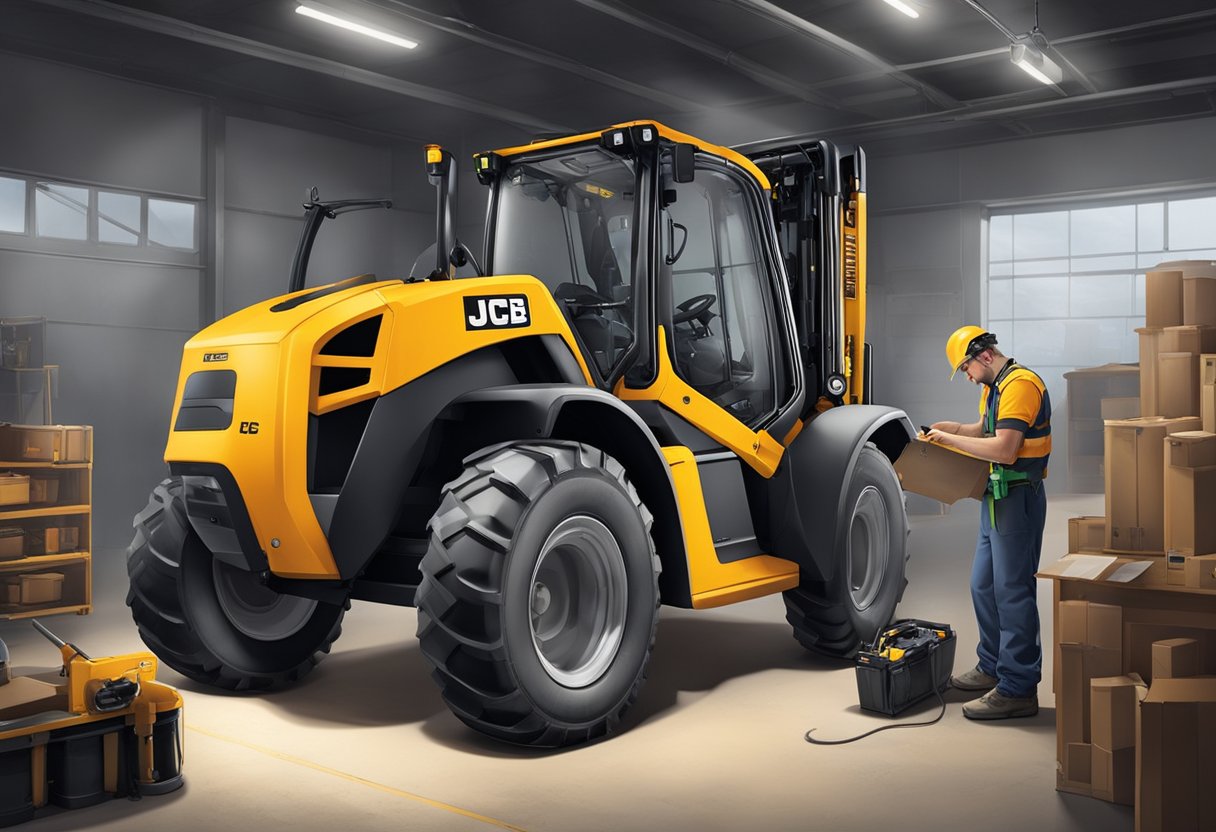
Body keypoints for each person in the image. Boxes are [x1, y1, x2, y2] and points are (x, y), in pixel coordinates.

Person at [925, 326, 1051, 720]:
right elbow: (983, 431)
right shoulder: (993, 388)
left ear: (983, 356)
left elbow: (1005, 449)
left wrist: (950, 444)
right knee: (983, 584)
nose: (966, 375)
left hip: (1018, 498)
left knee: (1012, 590)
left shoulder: (1021, 385)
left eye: (965, 367)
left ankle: (1018, 688)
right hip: (994, 498)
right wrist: (951, 429)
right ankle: (992, 666)